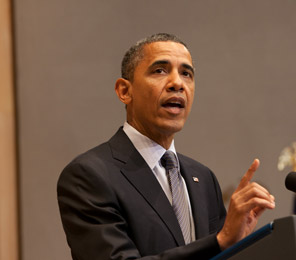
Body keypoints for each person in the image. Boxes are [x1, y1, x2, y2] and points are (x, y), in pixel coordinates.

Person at [57, 33, 275, 260]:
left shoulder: (203, 178)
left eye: (186, 74)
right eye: (160, 70)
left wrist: (239, 244)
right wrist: (220, 241)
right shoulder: (89, 175)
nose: (177, 84)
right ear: (125, 91)